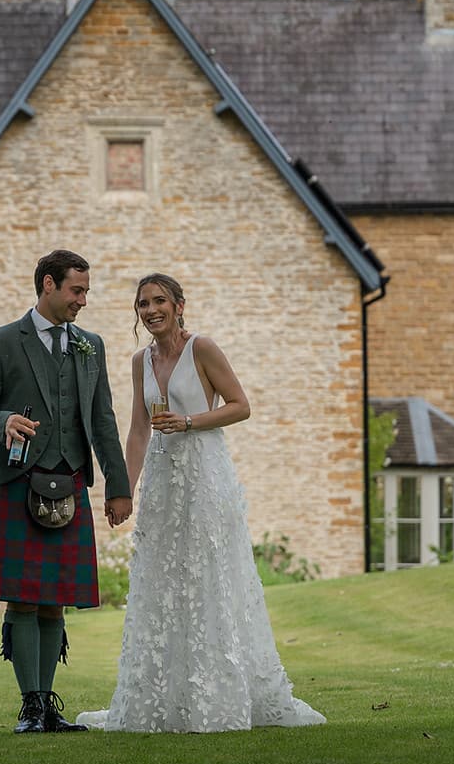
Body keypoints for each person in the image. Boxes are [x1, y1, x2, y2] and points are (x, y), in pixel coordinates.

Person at [75, 273, 325, 733]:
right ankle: (162, 699)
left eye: (159, 301)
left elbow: (240, 405)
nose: (151, 311)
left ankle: (220, 693)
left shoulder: (202, 349)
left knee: (210, 579)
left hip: (206, 476)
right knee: (164, 584)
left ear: (179, 305)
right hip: (164, 486)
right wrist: (122, 490)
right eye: (143, 304)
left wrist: (189, 421)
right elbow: (137, 429)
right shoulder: (140, 361)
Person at [0, 249, 133, 734]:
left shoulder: (89, 345)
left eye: (86, 292)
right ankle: (31, 704)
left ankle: (48, 706)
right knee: (23, 597)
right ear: (48, 285)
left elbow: (102, 420)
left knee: (54, 597)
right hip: (15, 482)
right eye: (76, 290)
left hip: (69, 482)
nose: (83, 300)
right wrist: (2, 422)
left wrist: (118, 488)